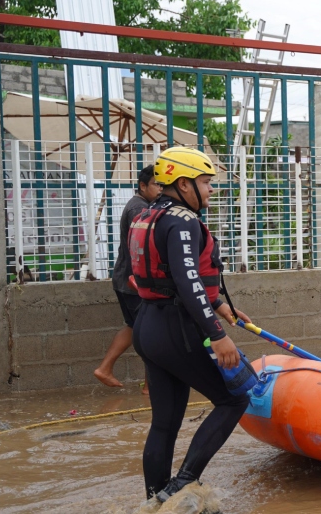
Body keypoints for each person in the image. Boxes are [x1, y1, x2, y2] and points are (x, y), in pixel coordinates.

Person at [129, 147, 253, 502]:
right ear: (183, 184)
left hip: (147, 325)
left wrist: (219, 304)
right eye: (205, 181)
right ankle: (182, 484)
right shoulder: (182, 221)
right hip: (175, 329)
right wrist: (217, 335)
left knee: (164, 423)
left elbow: (165, 276)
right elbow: (186, 282)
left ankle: (155, 501)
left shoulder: (147, 214)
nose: (211, 189)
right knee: (234, 399)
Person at [95, 165, 161, 390]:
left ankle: (105, 368)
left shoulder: (142, 206)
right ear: (143, 186)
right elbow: (144, 245)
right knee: (151, 333)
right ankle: (150, 387)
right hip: (134, 282)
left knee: (134, 327)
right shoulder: (138, 210)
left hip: (126, 279)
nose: (161, 190)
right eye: (156, 185)